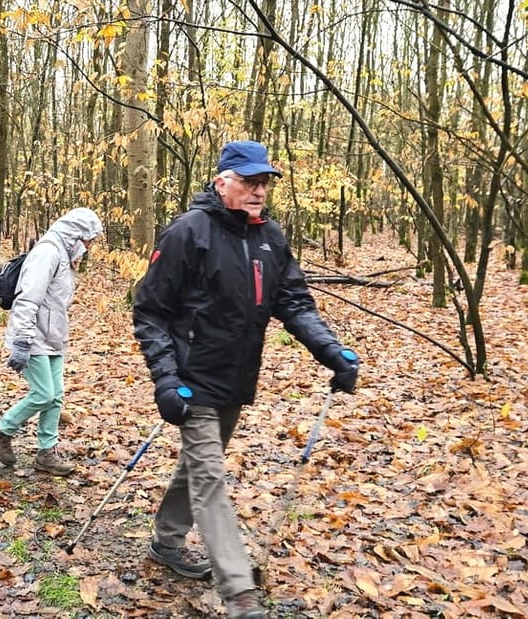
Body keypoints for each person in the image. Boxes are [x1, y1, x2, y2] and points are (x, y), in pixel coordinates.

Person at [131, 140, 359, 619]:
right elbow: (150, 310)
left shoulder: (271, 239)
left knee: (197, 468)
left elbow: (293, 302)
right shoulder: (188, 233)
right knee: (211, 478)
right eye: (249, 182)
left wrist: (331, 351)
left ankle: (166, 541)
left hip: (236, 380)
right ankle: (240, 594)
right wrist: (166, 379)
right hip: (193, 381)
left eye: (264, 183)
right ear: (222, 183)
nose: (258, 191)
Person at [0, 207, 103, 476]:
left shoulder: (63, 253)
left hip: (53, 337)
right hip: (33, 336)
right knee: (43, 394)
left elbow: (55, 302)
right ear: (76, 234)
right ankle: (1, 430)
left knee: (56, 396)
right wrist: (22, 340)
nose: (88, 246)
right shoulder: (48, 252)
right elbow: (28, 299)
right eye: (88, 240)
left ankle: (46, 452)